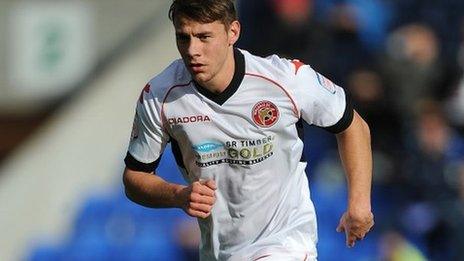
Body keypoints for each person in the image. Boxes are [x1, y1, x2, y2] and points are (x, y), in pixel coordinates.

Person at [122, 0, 374, 260]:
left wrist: (359, 203)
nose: (192, 50)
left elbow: (353, 126)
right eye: (183, 38)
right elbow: (135, 178)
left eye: (203, 37)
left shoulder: (286, 80)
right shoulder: (160, 96)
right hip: (219, 252)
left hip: (285, 244)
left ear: (233, 32)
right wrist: (178, 195)